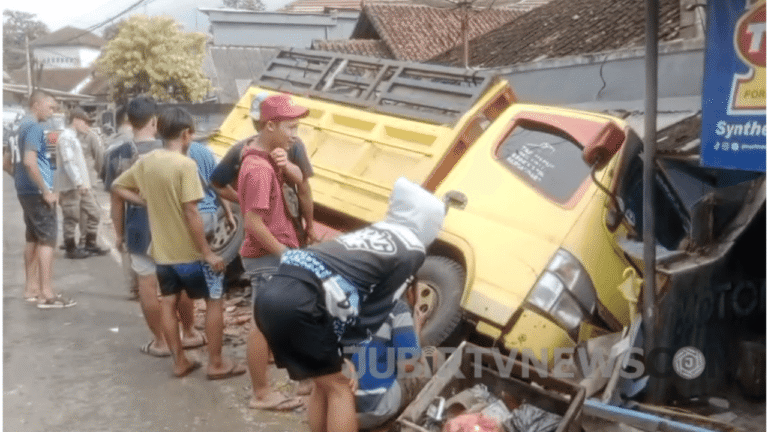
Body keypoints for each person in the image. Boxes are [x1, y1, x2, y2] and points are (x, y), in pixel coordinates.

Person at [254, 177, 446, 432]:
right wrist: (348, 356)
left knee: (324, 383)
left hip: (274, 293)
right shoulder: (411, 249)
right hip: (304, 304)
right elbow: (376, 308)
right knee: (341, 388)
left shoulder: (376, 231)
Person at [112, 106, 246, 380]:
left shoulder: (147, 162)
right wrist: (206, 252)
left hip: (162, 254)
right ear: (186, 134)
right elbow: (191, 211)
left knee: (168, 303)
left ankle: (179, 362)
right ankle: (216, 364)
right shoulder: (186, 166)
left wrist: (144, 200)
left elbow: (117, 186)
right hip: (190, 253)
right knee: (215, 300)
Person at [105, 96, 204, 358]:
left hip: (138, 228)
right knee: (180, 284)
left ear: (129, 121)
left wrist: (119, 234)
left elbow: (116, 197)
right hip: (173, 226)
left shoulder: (116, 154)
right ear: (155, 122)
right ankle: (189, 333)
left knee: (147, 286)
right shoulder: (178, 151)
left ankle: (160, 342)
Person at [230, 94, 309, 410]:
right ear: (270, 125)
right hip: (267, 256)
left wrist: (286, 165)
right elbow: (254, 223)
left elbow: (301, 181)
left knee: (278, 320)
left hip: (271, 253)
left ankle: (297, 379)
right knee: (262, 324)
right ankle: (262, 393)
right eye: (290, 127)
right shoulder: (259, 170)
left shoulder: (268, 159)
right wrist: (285, 254)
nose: (294, 134)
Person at [210, 91, 317, 246]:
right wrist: (245, 200)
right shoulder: (241, 151)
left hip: (287, 225)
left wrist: (310, 226)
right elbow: (216, 184)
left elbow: (303, 186)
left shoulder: (293, 146)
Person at [15, 91, 76, 308]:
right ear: (37, 104)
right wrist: (46, 189)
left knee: (32, 237)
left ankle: (31, 288)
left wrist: (22, 179)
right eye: (50, 107)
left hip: (25, 190)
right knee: (48, 239)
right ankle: (46, 293)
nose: (53, 112)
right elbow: (30, 161)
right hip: (38, 192)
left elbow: (7, 161)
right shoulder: (35, 128)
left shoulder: (19, 127)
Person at [348, 282, 430, 430]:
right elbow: (409, 366)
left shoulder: (356, 300)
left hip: (343, 402)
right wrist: (416, 327)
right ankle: (393, 423)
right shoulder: (398, 309)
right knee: (428, 363)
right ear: (410, 291)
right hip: (374, 407)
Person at [55, 108, 107, 259]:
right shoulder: (67, 138)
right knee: (71, 217)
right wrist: (79, 182)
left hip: (81, 185)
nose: (88, 126)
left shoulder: (73, 137)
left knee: (95, 213)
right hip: (72, 185)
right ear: (76, 120)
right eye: (86, 122)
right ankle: (71, 248)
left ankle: (90, 244)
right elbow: (68, 162)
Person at [101, 104, 138, 299]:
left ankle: (133, 287)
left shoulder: (113, 149)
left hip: (129, 213)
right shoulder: (162, 147)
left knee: (127, 247)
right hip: (160, 217)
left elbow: (115, 198)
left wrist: (118, 234)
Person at [71, 109, 107, 254]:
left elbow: (100, 158)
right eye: (85, 122)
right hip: (75, 181)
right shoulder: (70, 137)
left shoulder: (91, 137)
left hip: (88, 180)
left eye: (88, 123)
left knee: (90, 212)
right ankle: (85, 241)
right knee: (82, 213)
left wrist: (98, 175)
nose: (87, 125)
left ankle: (86, 241)